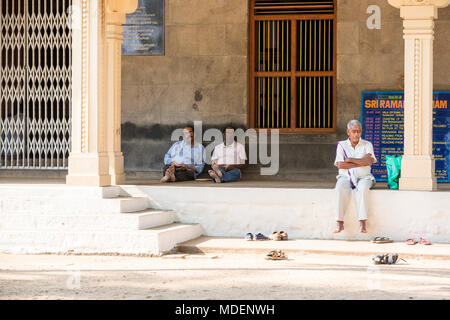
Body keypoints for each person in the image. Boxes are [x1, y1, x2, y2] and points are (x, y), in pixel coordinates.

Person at [333, 120, 377, 233]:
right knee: (339, 189)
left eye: (358, 131)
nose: (356, 134)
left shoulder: (367, 144)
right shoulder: (341, 145)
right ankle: (339, 223)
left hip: (364, 177)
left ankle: (362, 223)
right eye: (354, 131)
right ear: (348, 132)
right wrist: (361, 161)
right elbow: (340, 164)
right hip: (345, 177)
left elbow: (369, 162)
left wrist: (350, 160)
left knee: (363, 189)